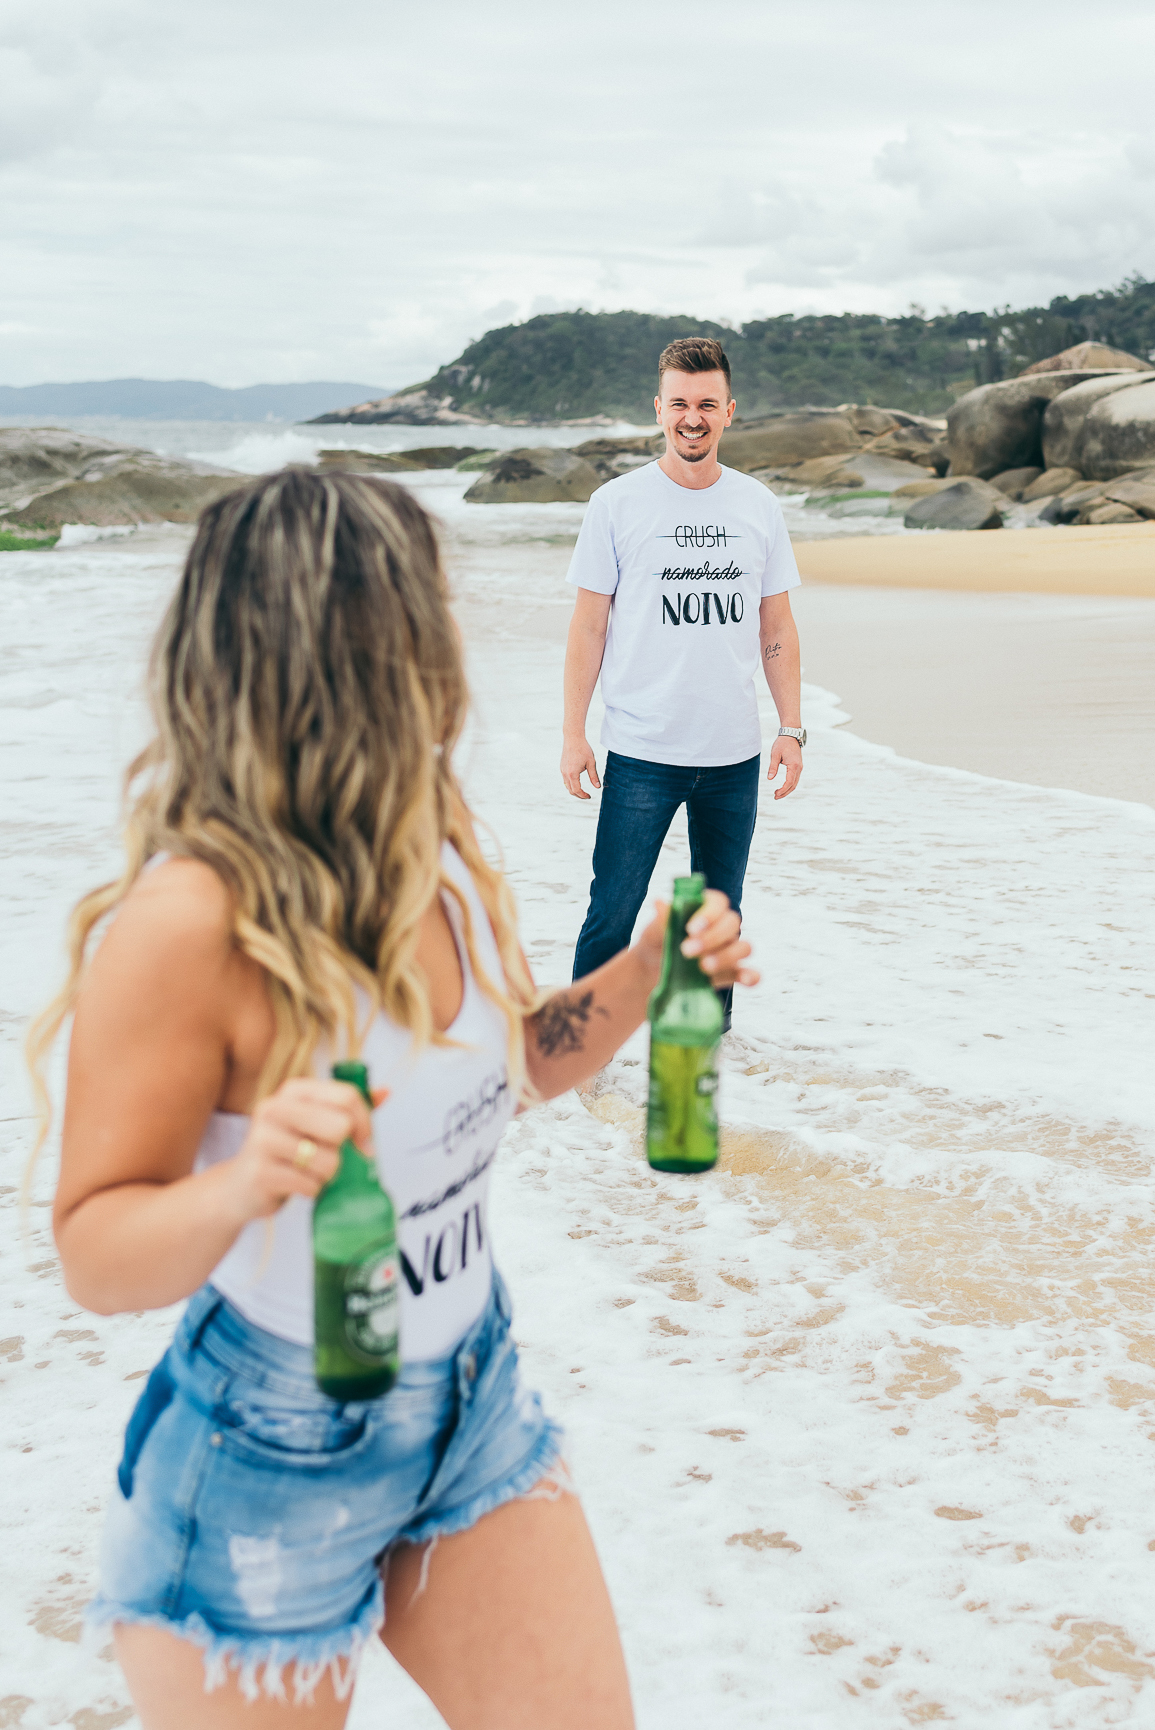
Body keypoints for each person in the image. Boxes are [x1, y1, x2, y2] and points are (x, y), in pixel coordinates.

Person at [29, 468, 758, 1730]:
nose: (450, 647)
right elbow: (95, 1250)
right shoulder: (189, 922)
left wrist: (644, 974)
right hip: (262, 1460)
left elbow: (511, 1066)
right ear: (353, 645)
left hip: (472, 1404)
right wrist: (247, 1178)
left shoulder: (439, 848)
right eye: (424, 613)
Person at [561, 336, 803, 1033]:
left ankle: (701, 1054)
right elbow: (587, 628)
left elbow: (776, 624)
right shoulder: (616, 503)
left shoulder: (756, 505)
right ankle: (581, 1051)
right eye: (678, 404)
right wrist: (573, 735)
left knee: (714, 920)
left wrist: (789, 729)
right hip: (641, 753)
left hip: (733, 755)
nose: (691, 418)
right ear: (657, 410)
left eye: (705, 404)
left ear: (728, 411)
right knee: (612, 910)